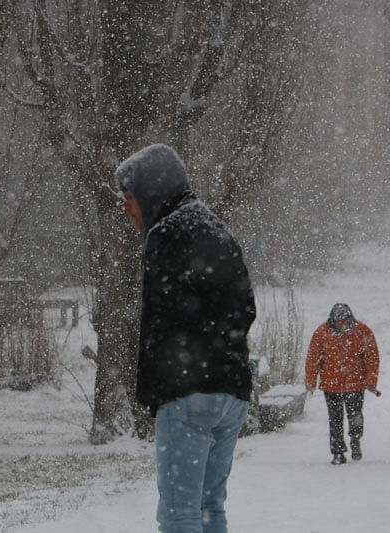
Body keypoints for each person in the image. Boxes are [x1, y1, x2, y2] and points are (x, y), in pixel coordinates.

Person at [116, 144, 256, 533]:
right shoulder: (217, 229)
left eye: (129, 198)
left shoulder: (166, 234)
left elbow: (158, 324)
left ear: (150, 192)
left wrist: (154, 394)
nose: (126, 208)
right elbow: (245, 309)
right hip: (232, 395)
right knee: (210, 509)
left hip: (188, 394)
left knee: (178, 515)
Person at [305, 303, 379, 465]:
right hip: (331, 384)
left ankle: (355, 438)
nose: (340, 324)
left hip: (355, 383)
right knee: (335, 419)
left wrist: (371, 380)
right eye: (336, 321)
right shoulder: (321, 333)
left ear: (349, 319)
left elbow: (371, 358)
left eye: (343, 320)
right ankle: (338, 451)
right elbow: (313, 358)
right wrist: (311, 379)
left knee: (355, 415)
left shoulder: (363, 331)